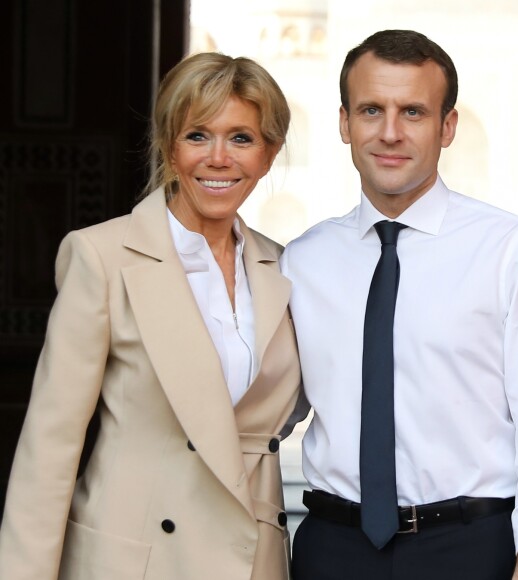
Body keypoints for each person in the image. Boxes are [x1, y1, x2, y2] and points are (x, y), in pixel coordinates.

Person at [281, 29, 518, 580]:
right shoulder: (302, 261)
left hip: (468, 550)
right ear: (344, 123)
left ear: (447, 127)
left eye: (413, 112)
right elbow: (266, 411)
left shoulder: (510, 249)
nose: (390, 133)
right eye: (372, 109)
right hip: (332, 551)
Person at [0, 52, 305, 580]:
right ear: (168, 144)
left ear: (269, 153)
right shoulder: (103, 256)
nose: (218, 158)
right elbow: (49, 450)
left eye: (241, 138)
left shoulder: (286, 266)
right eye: (197, 136)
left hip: (249, 559)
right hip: (134, 559)